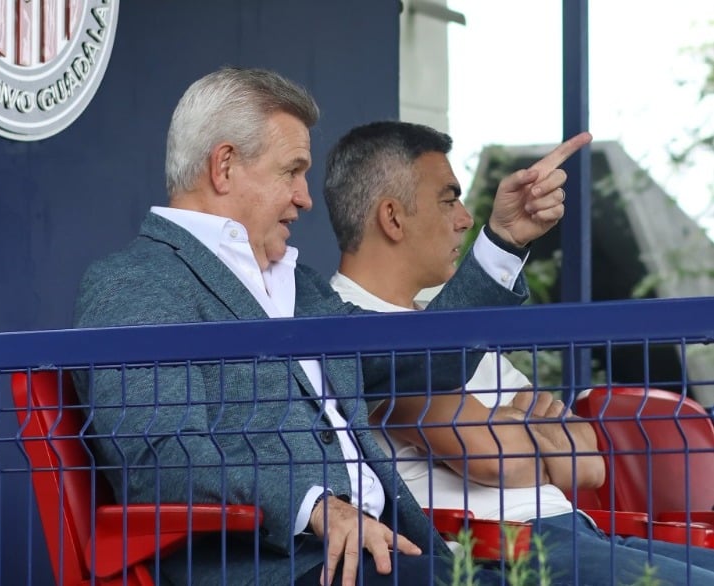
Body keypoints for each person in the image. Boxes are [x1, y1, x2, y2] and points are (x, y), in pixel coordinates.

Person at [73, 67, 585, 586]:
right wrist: (315, 506)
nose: (305, 197)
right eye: (291, 171)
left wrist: (501, 243)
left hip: (390, 557)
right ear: (224, 166)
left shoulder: (300, 285)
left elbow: (423, 359)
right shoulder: (137, 281)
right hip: (279, 568)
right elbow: (159, 455)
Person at [323, 119, 714, 584]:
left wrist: (510, 428)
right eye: (449, 199)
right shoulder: (349, 328)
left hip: (579, 535)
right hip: (501, 551)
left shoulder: (449, 319)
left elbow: (590, 463)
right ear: (392, 217)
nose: (466, 217)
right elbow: (493, 457)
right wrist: (530, 428)